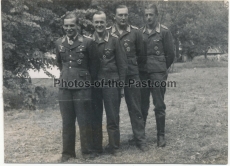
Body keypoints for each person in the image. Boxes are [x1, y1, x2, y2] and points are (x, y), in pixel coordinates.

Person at [55, 12, 99, 162]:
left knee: (84, 120)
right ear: (63, 27)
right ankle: (67, 152)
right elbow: (60, 63)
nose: (69, 28)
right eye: (66, 26)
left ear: (77, 26)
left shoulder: (87, 42)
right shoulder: (59, 43)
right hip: (65, 87)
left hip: (82, 87)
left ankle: (87, 151)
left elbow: (94, 66)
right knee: (67, 121)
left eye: (72, 25)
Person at [107, 5, 148, 151]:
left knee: (136, 108)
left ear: (128, 16)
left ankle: (140, 140)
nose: (123, 18)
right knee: (113, 110)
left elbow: (142, 56)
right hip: (113, 76)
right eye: (120, 15)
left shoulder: (135, 33)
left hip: (132, 75)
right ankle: (114, 143)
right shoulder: (108, 33)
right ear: (115, 17)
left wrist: (133, 68)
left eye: (125, 15)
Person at [139, 4, 175, 147]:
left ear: (156, 15)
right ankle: (140, 136)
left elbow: (171, 54)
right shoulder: (139, 33)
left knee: (159, 105)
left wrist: (160, 69)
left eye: (151, 15)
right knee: (142, 105)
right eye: (146, 15)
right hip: (143, 74)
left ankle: (161, 136)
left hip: (158, 74)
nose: (148, 17)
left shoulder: (164, 32)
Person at [91, 11, 127, 156]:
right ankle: (96, 148)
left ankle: (114, 147)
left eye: (102, 22)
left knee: (112, 116)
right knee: (95, 116)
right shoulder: (88, 41)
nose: (99, 25)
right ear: (93, 24)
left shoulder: (114, 40)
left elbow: (122, 64)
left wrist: (122, 86)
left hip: (112, 83)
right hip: (95, 86)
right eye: (96, 22)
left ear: (106, 23)